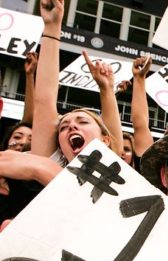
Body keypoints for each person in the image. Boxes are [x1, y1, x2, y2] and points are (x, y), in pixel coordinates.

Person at [32, 0, 123, 167]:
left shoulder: (117, 168)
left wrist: (107, 89)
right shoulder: (50, 169)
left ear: (106, 140)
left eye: (83, 122)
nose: (72, 126)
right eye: (63, 127)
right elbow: (44, 102)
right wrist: (52, 27)